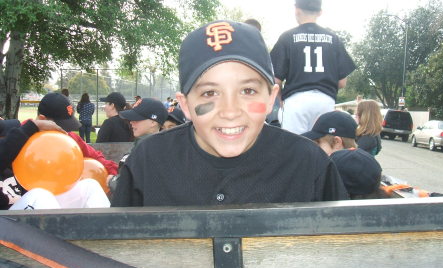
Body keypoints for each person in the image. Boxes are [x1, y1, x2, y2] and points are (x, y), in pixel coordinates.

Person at [112, 20, 348, 207]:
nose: (230, 111)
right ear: (185, 105)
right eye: (209, 93)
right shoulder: (149, 161)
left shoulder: (309, 165)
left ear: (270, 98)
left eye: (248, 90)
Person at [270, 0, 356, 135]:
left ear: (296, 10)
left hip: (296, 101)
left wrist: (281, 100)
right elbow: (342, 82)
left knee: (293, 146)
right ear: (320, 12)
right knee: (322, 146)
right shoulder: (333, 38)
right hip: (325, 100)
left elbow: (276, 80)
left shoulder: (287, 37)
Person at [0, 118, 110, 210]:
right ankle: (60, 234)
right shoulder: (7, 152)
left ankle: (105, 233)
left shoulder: (22, 161)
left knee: (89, 186)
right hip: (6, 224)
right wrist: (31, 127)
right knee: (40, 195)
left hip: (29, 209)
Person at [107, 98, 168, 194]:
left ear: (153, 122)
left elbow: (127, 187)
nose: (131, 122)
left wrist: (112, 181)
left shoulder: (147, 147)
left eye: (136, 119)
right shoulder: (154, 144)